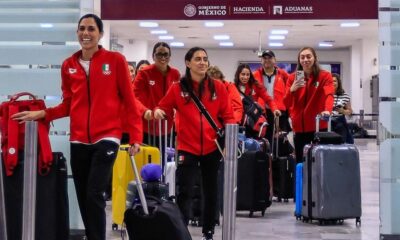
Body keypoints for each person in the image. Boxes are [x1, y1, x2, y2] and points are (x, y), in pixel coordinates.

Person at [11, 14, 142, 240]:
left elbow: (129, 102)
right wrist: (44, 113)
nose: (86, 33)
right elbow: (69, 104)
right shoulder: (68, 65)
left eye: (91, 29)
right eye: (81, 29)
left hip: (108, 137)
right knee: (83, 195)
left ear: (100, 34)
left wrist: (136, 137)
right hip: (79, 139)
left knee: (94, 193)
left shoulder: (116, 61)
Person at [154, 47, 235, 240]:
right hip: (187, 147)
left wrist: (228, 142)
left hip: (212, 147)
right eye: (197, 59)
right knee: (185, 191)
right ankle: (182, 230)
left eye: (205, 59)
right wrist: (158, 111)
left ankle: (208, 230)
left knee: (211, 190)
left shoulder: (218, 87)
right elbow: (163, 106)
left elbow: (229, 116)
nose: (203, 63)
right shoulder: (177, 88)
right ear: (188, 63)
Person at [283, 46, 335, 164]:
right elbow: (286, 103)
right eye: (302, 57)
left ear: (315, 58)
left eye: (308, 56)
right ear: (299, 60)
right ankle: (302, 182)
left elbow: (329, 95)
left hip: (318, 126)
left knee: (318, 161)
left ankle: (318, 183)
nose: (305, 60)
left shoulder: (324, 76)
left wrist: (327, 110)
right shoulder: (292, 78)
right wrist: (291, 90)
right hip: (299, 128)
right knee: (301, 161)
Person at [133, 42, 180, 149]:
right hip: (147, 126)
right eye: (159, 54)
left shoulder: (175, 74)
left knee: (165, 161)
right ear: (153, 56)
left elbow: (178, 97)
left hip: (168, 127)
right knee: (148, 161)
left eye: (166, 54)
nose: (163, 57)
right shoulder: (144, 73)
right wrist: (145, 111)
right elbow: (133, 97)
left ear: (169, 57)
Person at [234, 63, 281, 138]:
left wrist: (275, 109)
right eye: (243, 74)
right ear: (238, 74)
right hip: (238, 123)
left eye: (247, 74)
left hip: (253, 122)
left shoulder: (256, 85)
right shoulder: (233, 87)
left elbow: (268, 99)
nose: (245, 77)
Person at [253, 50, 291, 141]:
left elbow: (291, 89)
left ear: (275, 60)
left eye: (270, 58)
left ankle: (280, 154)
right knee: (264, 138)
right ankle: (266, 155)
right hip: (263, 112)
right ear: (261, 60)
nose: (267, 60)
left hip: (279, 112)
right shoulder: (255, 75)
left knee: (280, 140)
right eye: (264, 58)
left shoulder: (283, 74)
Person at [331, 73, 354, 143]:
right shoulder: (324, 94)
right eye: (331, 81)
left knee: (341, 142)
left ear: (338, 83)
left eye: (335, 81)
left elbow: (350, 111)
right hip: (327, 122)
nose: (333, 83)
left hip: (340, 122)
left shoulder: (345, 96)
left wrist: (342, 111)